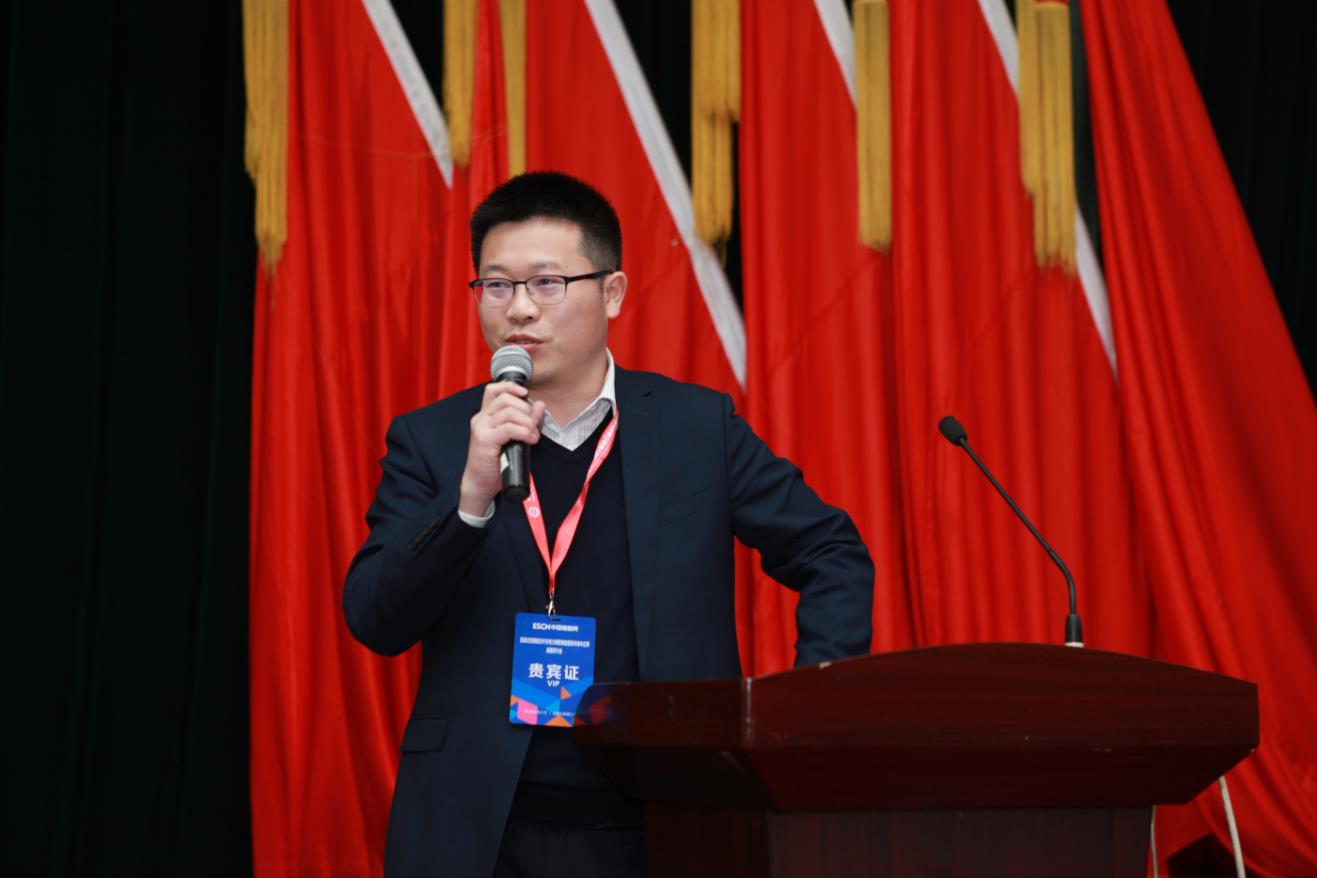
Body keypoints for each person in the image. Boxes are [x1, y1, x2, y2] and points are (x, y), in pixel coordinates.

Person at [343, 171, 874, 878]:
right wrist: (469, 497)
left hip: (665, 818)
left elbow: (831, 551)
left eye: (546, 283)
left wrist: (799, 718)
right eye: (496, 286)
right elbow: (376, 618)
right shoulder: (435, 440)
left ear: (613, 292)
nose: (518, 309)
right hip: (480, 823)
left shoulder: (696, 428)